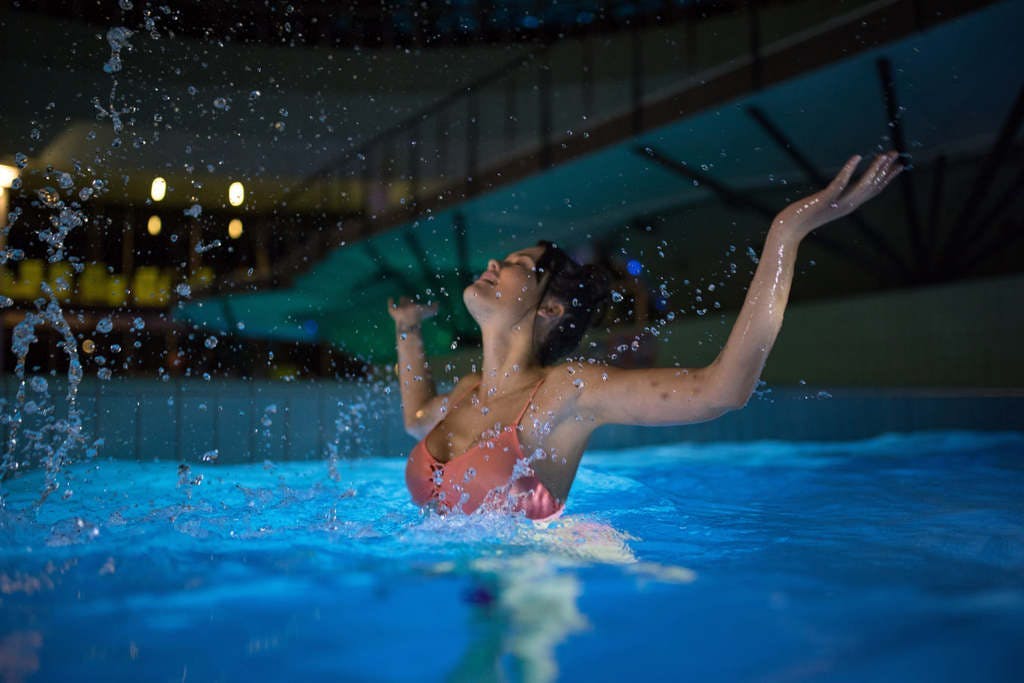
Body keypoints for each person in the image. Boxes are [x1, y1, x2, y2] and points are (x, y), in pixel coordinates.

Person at [389, 152, 904, 521]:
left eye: (519, 264)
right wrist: (408, 330)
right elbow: (416, 420)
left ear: (549, 308)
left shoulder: (566, 392)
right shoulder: (467, 393)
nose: (495, 263)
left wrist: (785, 234)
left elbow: (721, 391)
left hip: (528, 594)